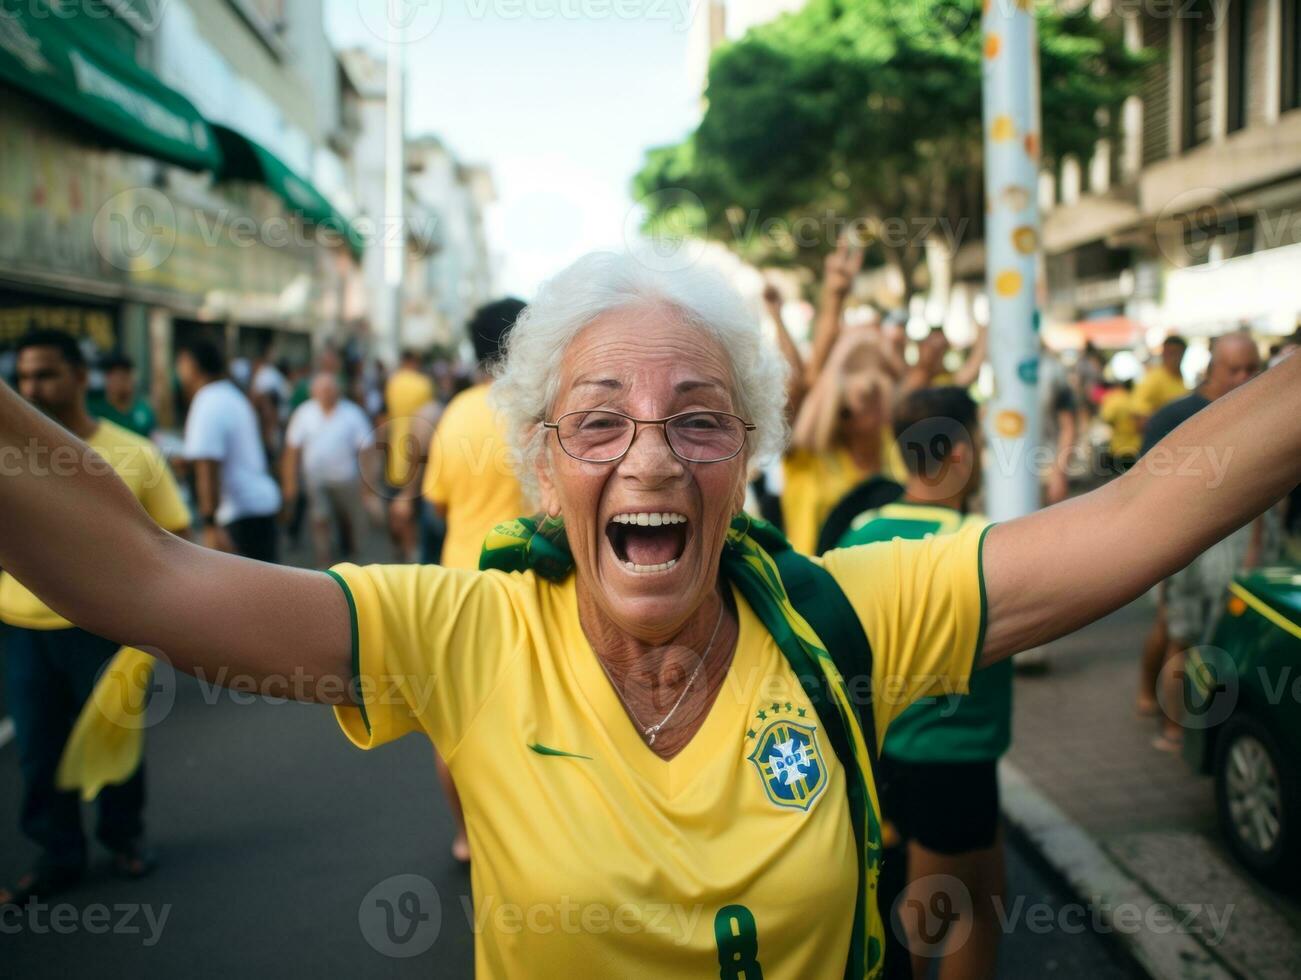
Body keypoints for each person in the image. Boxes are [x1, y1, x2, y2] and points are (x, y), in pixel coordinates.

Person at [0, 252, 1297, 978]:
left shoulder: (847, 611)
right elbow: (147, 576)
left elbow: (1135, 519)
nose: (654, 462)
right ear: (542, 460)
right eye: (601, 422)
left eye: (698, 419)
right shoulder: (464, 635)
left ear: (748, 453)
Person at [0, 329, 191, 905]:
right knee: (38, 749)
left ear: (82, 379)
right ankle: (57, 852)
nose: (33, 387)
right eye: (24, 376)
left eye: (47, 374)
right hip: (23, 633)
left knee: (116, 742)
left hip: (108, 632)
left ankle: (123, 836)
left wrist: (163, 630)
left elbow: (177, 540)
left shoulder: (135, 452)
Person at [832, 387, 1009, 980]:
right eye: (979, 438)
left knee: (983, 900)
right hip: (951, 757)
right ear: (959, 451)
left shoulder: (859, 531)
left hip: (897, 751)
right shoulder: (982, 541)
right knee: (928, 919)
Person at [412, 297, 528, 863]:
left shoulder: (455, 412)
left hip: (457, 590)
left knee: (456, 725)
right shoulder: (539, 409)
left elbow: (434, 503)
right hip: (534, 587)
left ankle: (465, 837)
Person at [1134, 333, 1268, 745]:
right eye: (1234, 370)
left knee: (1224, 633)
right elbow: (1142, 490)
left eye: (1251, 369)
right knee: (1181, 633)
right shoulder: (1174, 417)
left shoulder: (1262, 414)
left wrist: (1257, 545)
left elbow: (1268, 488)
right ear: (1212, 367)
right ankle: (1172, 725)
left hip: (1241, 541)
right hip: (1185, 541)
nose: (1244, 378)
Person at [177, 339, 281, 561]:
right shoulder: (231, 395)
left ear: (192, 364)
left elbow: (207, 465)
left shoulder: (208, 399)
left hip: (239, 515)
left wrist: (209, 524)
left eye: (181, 363)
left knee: (246, 593)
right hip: (258, 507)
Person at [281, 373, 376, 569]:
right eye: (321, 390)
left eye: (329, 390)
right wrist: (290, 481)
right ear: (313, 392)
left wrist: (368, 484)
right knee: (319, 519)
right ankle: (323, 562)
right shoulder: (304, 413)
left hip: (346, 478)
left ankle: (351, 557)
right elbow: (292, 450)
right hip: (316, 479)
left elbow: (366, 449)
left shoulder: (352, 413)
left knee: (347, 519)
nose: (325, 394)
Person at [381, 348, 434, 561]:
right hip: (416, 453)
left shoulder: (392, 382)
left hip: (394, 451)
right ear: (416, 361)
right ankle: (411, 551)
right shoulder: (424, 385)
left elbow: (384, 418)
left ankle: (398, 544)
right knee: (412, 507)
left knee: (394, 502)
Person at [87, 352, 156, 439]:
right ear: (107, 379)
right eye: (120, 378)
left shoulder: (144, 410)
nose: (125, 383)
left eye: (127, 377)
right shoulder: (93, 409)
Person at [1133, 334, 1188, 423]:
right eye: (1169, 353)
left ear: (1183, 353)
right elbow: (1138, 414)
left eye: (1176, 353)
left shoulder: (1179, 377)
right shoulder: (1153, 379)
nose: (1173, 357)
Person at [1098, 379, 1141, 473]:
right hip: (1137, 447)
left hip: (1118, 447)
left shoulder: (1113, 399)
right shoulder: (1134, 398)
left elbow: (1106, 418)